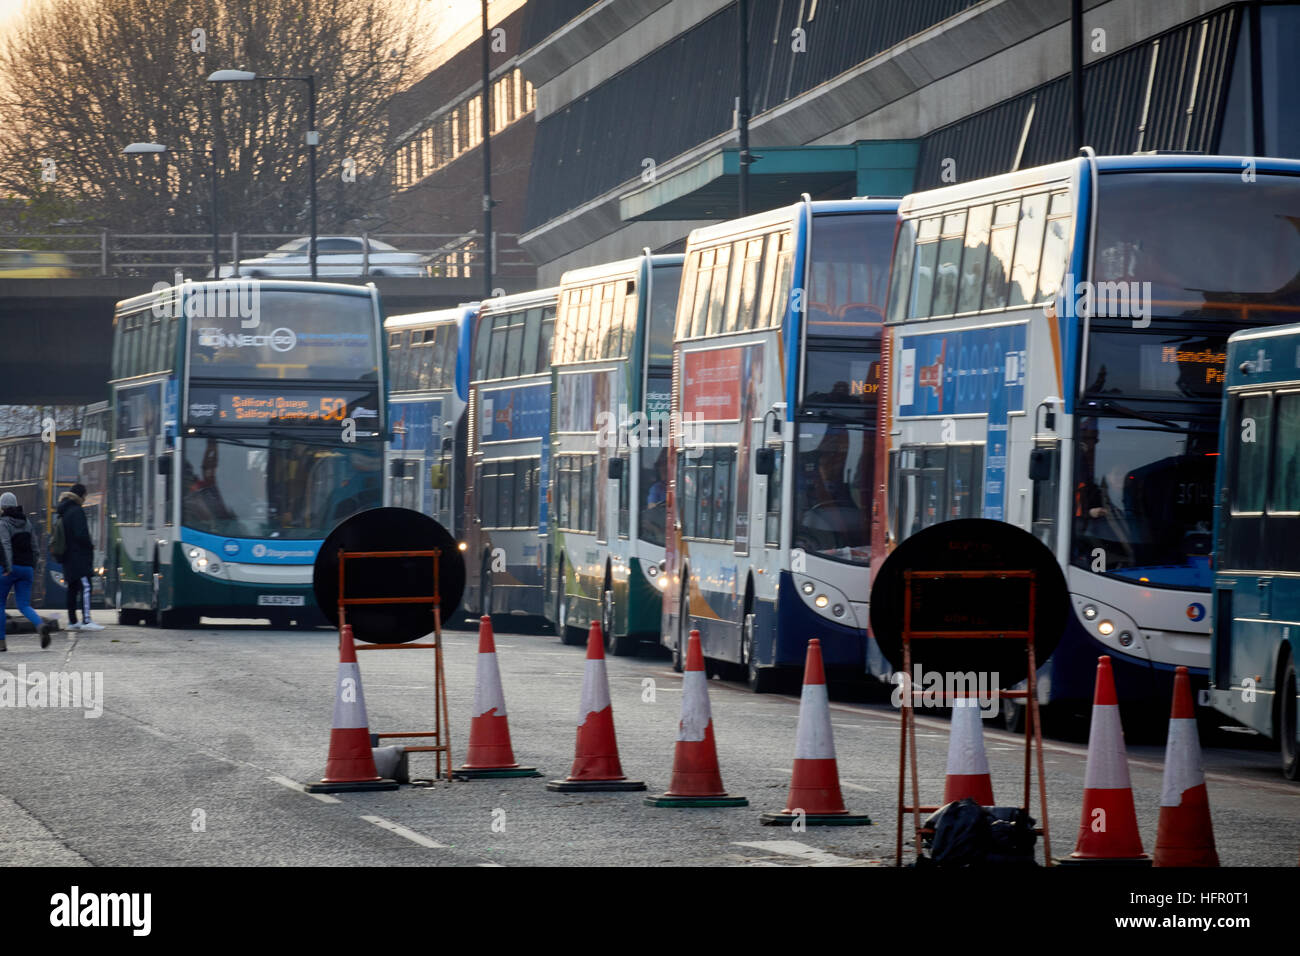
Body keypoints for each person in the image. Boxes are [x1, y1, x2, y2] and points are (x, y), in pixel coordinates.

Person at [0, 491, 55, 651]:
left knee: (0, 604)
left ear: (3, 507)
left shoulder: (3, 524)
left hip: (8, 569)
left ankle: (1, 642)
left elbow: (5, 545)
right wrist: (33, 566)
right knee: (24, 605)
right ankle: (40, 626)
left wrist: (8, 567)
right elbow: (35, 549)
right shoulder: (27, 523)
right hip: (27, 569)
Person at [56, 483, 102, 631]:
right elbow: (81, 534)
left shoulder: (64, 511)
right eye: (84, 496)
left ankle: (72, 621)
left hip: (68, 557)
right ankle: (87, 620)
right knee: (86, 587)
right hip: (79, 558)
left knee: (72, 588)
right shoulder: (77, 511)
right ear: (81, 496)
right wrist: (90, 546)